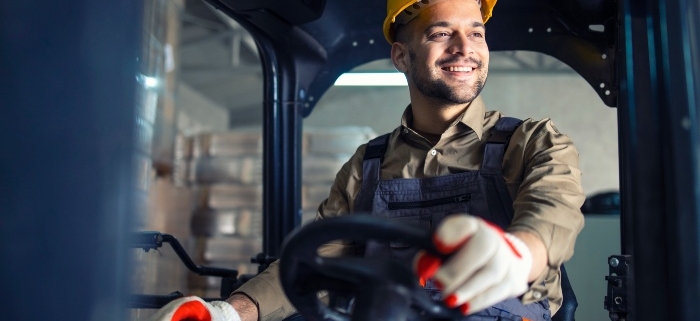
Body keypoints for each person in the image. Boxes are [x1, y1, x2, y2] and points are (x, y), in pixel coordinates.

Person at [151, 0, 585, 320]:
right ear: (401, 55)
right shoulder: (369, 165)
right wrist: (229, 312)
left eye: (476, 32)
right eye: (440, 33)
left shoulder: (532, 142)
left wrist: (517, 254)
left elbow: (553, 213)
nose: (464, 48)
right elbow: (316, 258)